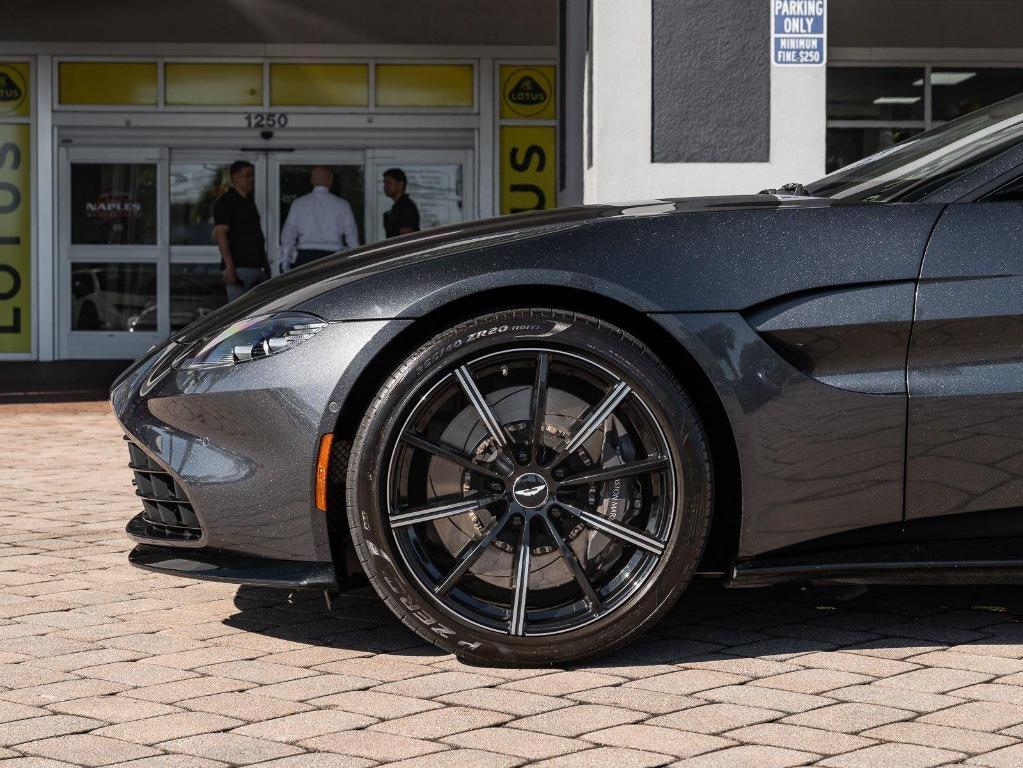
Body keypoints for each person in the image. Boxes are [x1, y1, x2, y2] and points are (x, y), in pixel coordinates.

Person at [279, 166, 361, 272]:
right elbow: (352, 239)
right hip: (334, 258)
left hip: (306, 258)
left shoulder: (299, 204)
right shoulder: (342, 205)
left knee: (307, 288)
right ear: (330, 179)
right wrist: (356, 264)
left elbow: (288, 237)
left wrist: (285, 264)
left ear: (311, 180)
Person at [212, 160, 270, 301]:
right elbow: (220, 234)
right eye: (247, 175)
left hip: (257, 268)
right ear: (235, 177)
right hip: (239, 269)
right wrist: (230, 266)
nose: (252, 179)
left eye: (252, 175)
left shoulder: (249, 201)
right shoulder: (226, 202)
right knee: (238, 317)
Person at [382, 168, 421, 238]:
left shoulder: (406, 207)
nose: (385, 186)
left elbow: (405, 239)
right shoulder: (397, 207)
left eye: (389, 183)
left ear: (400, 184)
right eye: (384, 183)